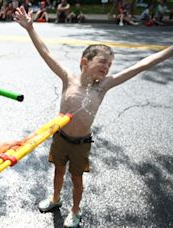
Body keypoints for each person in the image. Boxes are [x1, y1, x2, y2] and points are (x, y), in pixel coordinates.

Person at [14, 6, 173, 227]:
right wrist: (30, 28)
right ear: (84, 62)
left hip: (81, 143)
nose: (106, 67)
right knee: (58, 171)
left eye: (109, 65)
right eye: (102, 62)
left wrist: (170, 50)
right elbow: (46, 53)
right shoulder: (68, 78)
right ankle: (55, 198)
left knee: (76, 178)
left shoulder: (103, 86)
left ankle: (76, 210)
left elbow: (142, 64)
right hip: (60, 137)